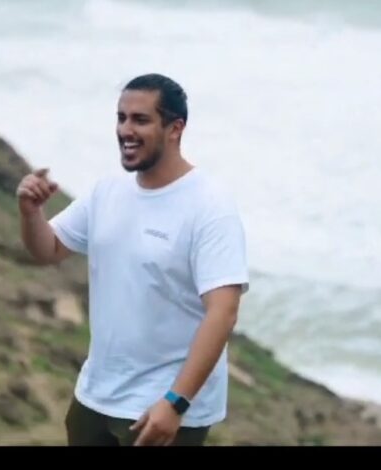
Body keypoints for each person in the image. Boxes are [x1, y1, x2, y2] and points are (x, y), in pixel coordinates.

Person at [16, 73, 249, 446]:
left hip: (160, 409)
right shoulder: (107, 191)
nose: (126, 130)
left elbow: (223, 312)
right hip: (95, 397)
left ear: (175, 129)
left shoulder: (209, 206)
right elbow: (49, 249)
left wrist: (176, 402)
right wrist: (31, 214)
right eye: (121, 118)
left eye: (140, 120)